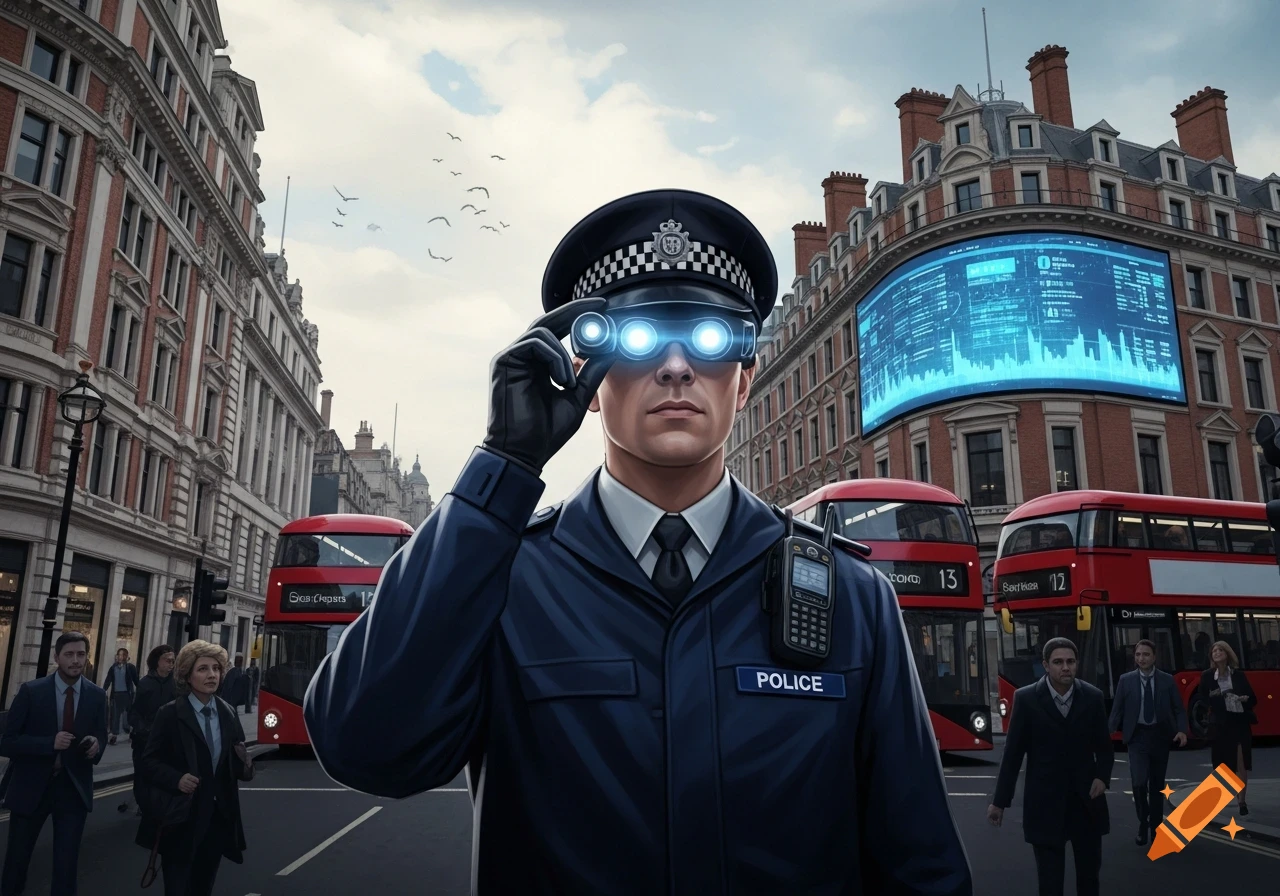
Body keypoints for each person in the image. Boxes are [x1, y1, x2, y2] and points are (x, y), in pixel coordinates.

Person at [303, 189, 973, 895]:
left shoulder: (853, 599)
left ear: (744, 382)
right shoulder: (501, 579)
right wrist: (503, 466)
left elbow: (920, 868)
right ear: (590, 381)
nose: (678, 366)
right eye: (640, 337)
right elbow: (367, 749)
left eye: (711, 338)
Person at [988, 637, 1113, 896]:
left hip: (1086, 803)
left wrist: (1102, 777)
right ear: (1046, 665)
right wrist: (999, 802)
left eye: (1070, 661)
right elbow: (1012, 754)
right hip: (1045, 805)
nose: (1065, 667)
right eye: (1058, 662)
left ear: (1077, 664)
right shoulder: (1026, 699)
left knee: (1089, 881)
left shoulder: (1093, 697)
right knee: (1050, 884)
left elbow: (1104, 746)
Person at [136, 640, 254, 895]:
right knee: (178, 887)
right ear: (187, 675)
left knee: (203, 885)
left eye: (216, 668)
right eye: (203, 669)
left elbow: (234, 759)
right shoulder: (170, 714)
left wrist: (244, 764)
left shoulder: (228, 712)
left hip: (217, 817)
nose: (211, 675)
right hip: (181, 815)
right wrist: (176, 778)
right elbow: (148, 762)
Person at [0, 631, 108, 896]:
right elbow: (7, 742)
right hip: (31, 787)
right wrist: (48, 743)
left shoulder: (96, 695)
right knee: (17, 862)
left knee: (66, 865)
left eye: (81, 654)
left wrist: (96, 746)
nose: (75, 660)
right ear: (56, 657)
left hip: (72, 789)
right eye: (69, 654)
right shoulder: (31, 692)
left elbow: (101, 736)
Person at [1107, 639, 1188, 845]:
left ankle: (1156, 828)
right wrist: (1104, 736)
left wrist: (1181, 731)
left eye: (1145, 655)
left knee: (1157, 786)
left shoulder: (1167, 680)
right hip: (1137, 737)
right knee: (1139, 783)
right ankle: (1143, 822)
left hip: (1160, 737)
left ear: (1154, 657)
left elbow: (1178, 708)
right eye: (1138, 655)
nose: (1141, 659)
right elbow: (1116, 711)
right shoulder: (1126, 680)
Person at [1196, 640, 1256, 816]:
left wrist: (1243, 699)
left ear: (1227, 654)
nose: (1217, 652)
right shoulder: (1207, 676)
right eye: (1214, 650)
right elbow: (1202, 698)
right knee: (1221, 765)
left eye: (1220, 650)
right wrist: (1212, 696)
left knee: (1240, 762)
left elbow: (1253, 699)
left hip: (1238, 722)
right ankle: (1219, 799)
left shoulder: (1238, 675)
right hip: (1220, 724)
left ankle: (1242, 801)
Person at [127, 644, 177, 817]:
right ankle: (144, 805)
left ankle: (158, 805)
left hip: (167, 740)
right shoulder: (145, 683)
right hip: (144, 740)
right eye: (167, 660)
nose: (171, 664)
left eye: (173, 661)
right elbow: (133, 713)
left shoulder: (176, 684)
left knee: (164, 775)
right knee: (142, 775)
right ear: (157, 661)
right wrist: (143, 729)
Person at [102, 647, 140, 745]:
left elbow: (136, 680)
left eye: (123, 655)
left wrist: (141, 691)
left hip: (127, 695)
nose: (121, 657)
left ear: (127, 657)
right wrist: (102, 691)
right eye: (119, 655)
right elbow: (108, 680)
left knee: (128, 716)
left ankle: (131, 733)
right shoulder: (113, 667)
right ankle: (114, 736)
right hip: (116, 695)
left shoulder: (130, 667)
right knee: (115, 716)